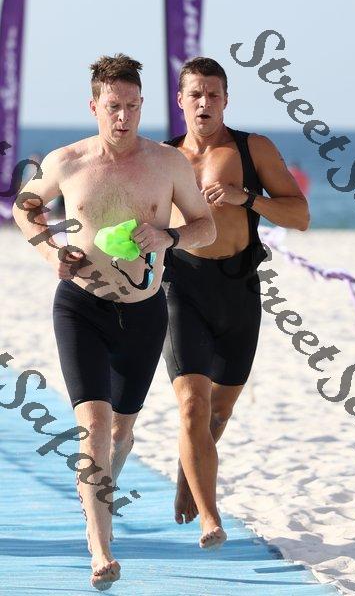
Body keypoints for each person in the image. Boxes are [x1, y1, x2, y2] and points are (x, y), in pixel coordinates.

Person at [12, 54, 215, 590]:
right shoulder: (67, 161)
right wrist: (49, 251)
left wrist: (169, 236)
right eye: (112, 107)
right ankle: (100, 550)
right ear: (94, 106)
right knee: (96, 426)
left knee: (121, 430)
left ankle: (98, 487)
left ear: (142, 105)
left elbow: (206, 227)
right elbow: (24, 206)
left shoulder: (168, 164)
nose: (123, 117)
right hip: (80, 305)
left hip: (144, 312)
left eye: (132, 106)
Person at [162, 57, 309, 550]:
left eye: (213, 94)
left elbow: (300, 216)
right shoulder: (163, 157)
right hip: (181, 287)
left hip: (239, 287)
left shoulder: (252, 148)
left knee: (218, 414)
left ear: (226, 100)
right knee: (192, 404)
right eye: (195, 94)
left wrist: (245, 198)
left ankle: (188, 472)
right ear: (181, 100)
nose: (204, 102)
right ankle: (210, 517)